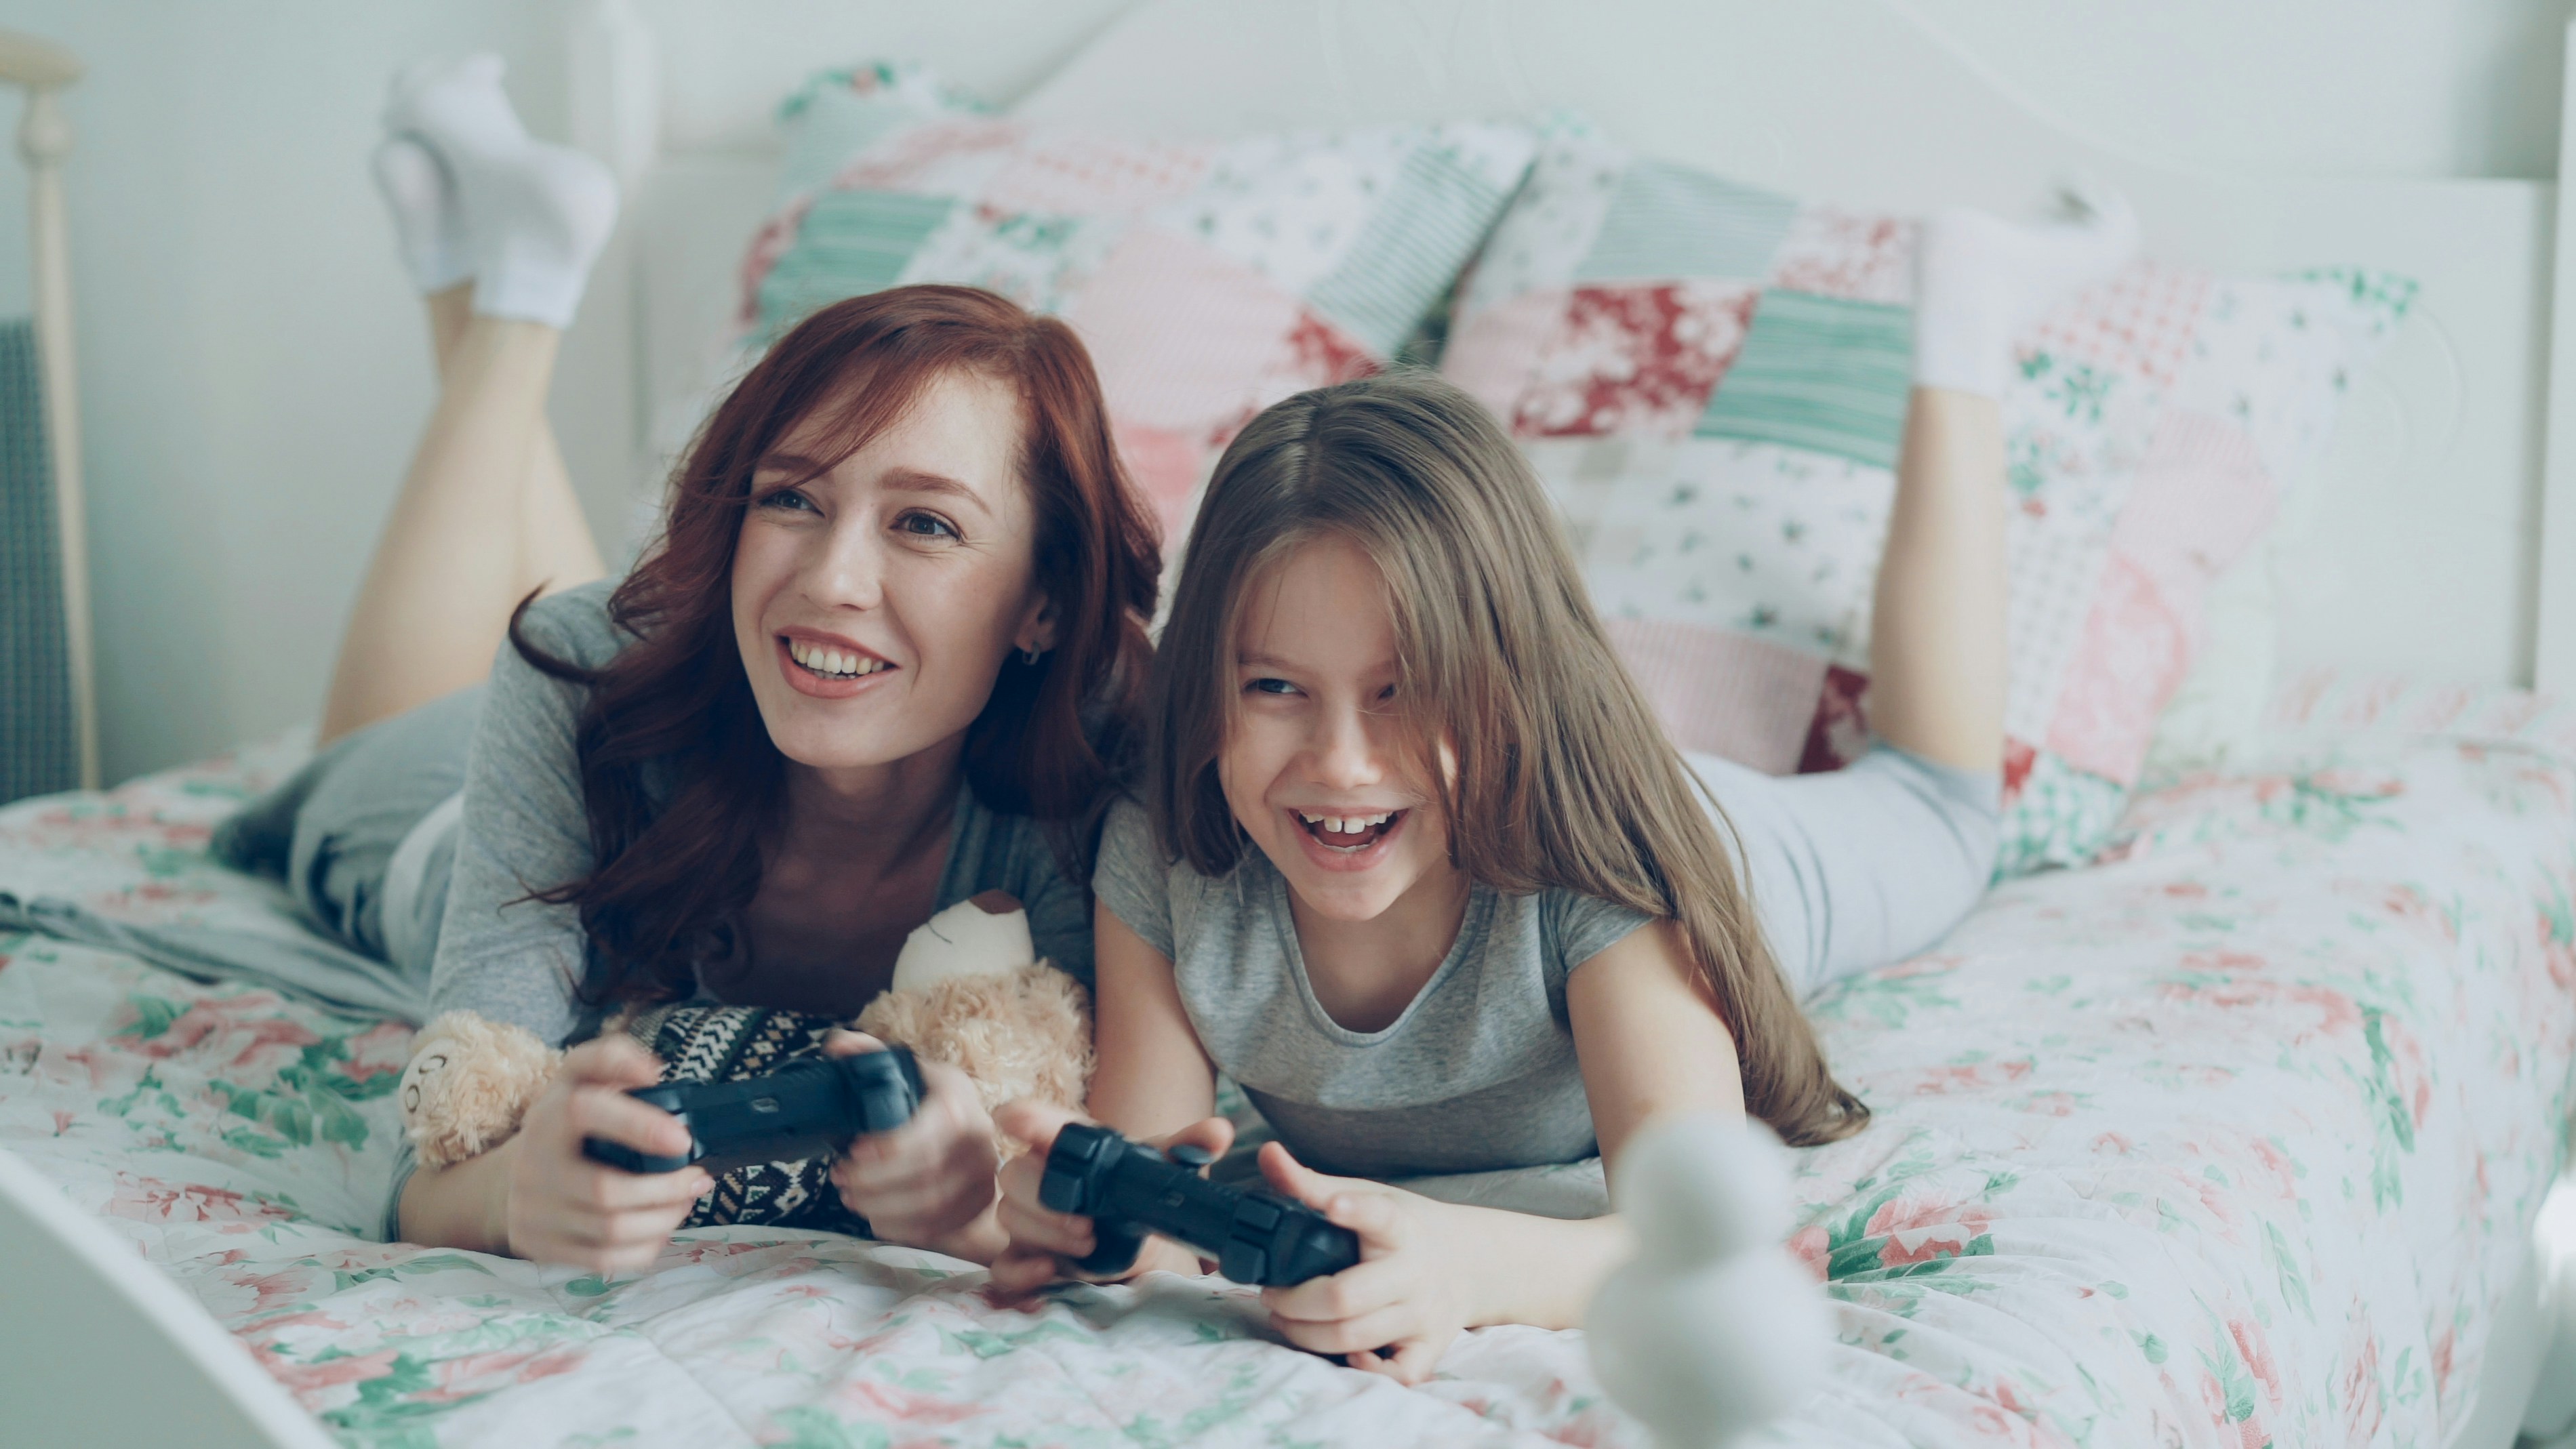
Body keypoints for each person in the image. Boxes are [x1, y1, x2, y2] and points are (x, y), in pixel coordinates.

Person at [988, 193, 2136, 1382]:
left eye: (1404, 688)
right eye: (1276, 687)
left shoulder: (1610, 871)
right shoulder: (1169, 851)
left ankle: (1963, 323)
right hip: (1538, 785)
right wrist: (1087, 1218)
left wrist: (1466, 1266)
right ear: (1204, 692)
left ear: (1502, 686)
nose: (1338, 761)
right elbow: (1158, 1169)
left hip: (1730, 841)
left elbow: (1694, 1235)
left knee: (1943, 797)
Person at [211, 57, 1159, 1271]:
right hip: (426, 813)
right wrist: (515, 1196)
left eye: (925, 523)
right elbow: (431, 1164)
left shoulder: (1105, 762)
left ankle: (505, 272)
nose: (831, 579)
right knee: (463, 684)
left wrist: (963, 1211)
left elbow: (1087, 1187)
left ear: (1043, 602)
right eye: (791, 499)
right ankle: (505, 312)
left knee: (605, 624)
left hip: (664, 671)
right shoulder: (572, 669)